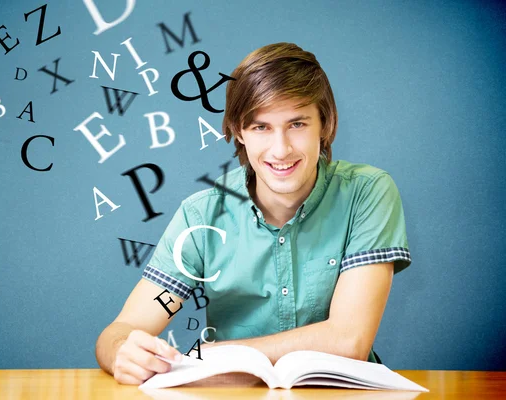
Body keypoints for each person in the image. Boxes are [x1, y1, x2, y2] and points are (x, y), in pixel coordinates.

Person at [95, 42, 412, 385]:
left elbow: (348, 340)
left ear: (325, 123)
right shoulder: (201, 217)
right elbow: (121, 330)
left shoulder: (367, 192)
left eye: (297, 124)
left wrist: (217, 355)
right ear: (237, 131)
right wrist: (121, 352)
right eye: (261, 127)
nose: (281, 149)